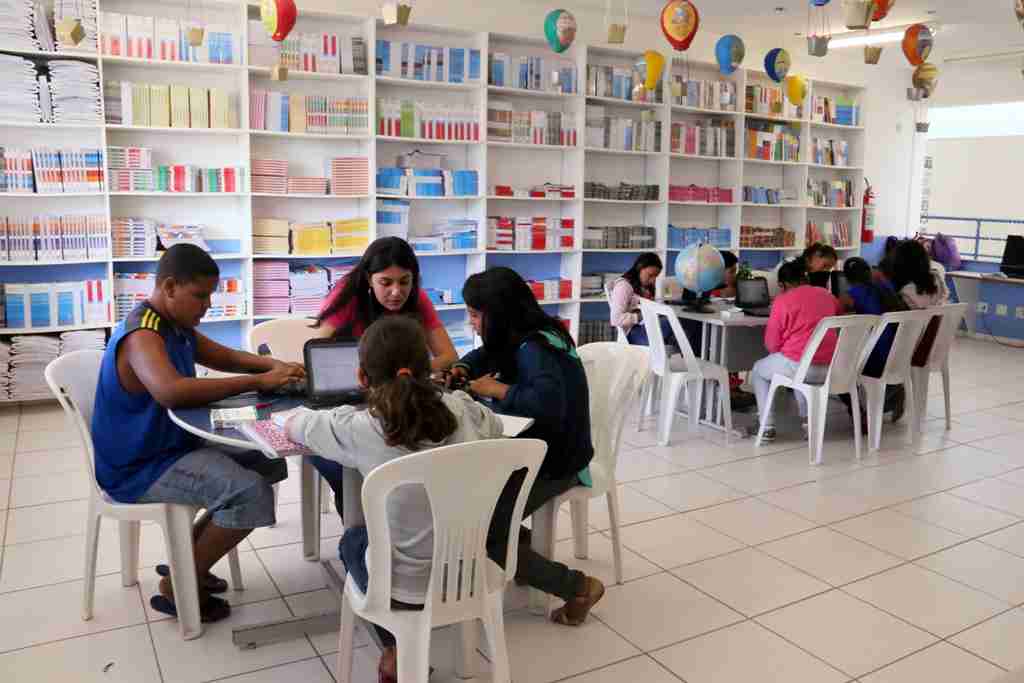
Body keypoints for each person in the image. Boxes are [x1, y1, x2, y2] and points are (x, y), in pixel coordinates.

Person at [282, 316, 504, 683]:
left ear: (362, 379)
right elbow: (493, 426)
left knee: (353, 539)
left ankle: (394, 648)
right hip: (466, 573)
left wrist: (333, 412)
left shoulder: (361, 427)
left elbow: (295, 425)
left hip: (402, 587)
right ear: (426, 369)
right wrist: (453, 396)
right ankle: (401, 648)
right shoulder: (461, 410)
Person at [91, 244, 304, 623]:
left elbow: (224, 356)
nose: (207, 305)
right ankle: (179, 586)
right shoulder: (144, 333)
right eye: (200, 296)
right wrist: (257, 381)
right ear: (170, 287)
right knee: (250, 494)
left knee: (265, 459)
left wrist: (276, 365)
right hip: (140, 467)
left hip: (168, 445)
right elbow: (171, 390)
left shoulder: (175, 324)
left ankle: (187, 561)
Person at [449, 267, 605, 626]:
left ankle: (578, 587)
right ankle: (523, 557)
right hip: (547, 452)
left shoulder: (536, 348)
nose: (471, 322)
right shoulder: (531, 332)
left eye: (475, 315)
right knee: (477, 510)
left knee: (480, 530)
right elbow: (487, 355)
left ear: (498, 314)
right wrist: (462, 367)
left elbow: (546, 406)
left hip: (557, 463)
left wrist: (497, 390)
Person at [311, 237, 459, 512]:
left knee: (405, 456)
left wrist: (409, 374)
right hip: (348, 395)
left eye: (405, 281)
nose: (396, 292)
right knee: (346, 471)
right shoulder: (348, 295)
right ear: (369, 279)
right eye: (386, 282)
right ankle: (361, 525)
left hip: (399, 398)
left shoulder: (418, 299)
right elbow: (317, 355)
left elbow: (449, 356)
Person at [751, 257, 843, 442]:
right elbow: (838, 314)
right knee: (799, 371)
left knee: (759, 371)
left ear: (782, 285)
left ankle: (766, 425)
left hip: (800, 366)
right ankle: (809, 423)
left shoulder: (782, 301)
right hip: (831, 367)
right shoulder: (827, 295)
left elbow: (772, 345)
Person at [838, 257, 908, 422]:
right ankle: (892, 391)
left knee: (839, 367)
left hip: (873, 357)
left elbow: (837, 309)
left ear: (846, 279)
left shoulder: (853, 294)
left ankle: (860, 410)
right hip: (897, 354)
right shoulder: (886, 287)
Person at [609, 252, 677, 347]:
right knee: (676, 321)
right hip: (632, 334)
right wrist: (643, 315)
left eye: (655, 276)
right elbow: (615, 319)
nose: (653, 280)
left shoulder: (643, 286)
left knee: (683, 327)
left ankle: (684, 356)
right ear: (639, 268)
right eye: (650, 275)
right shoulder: (623, 286)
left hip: (646, 328)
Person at [889, 239, 950, 309]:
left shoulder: (906, 292)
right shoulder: (937, 277)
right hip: (939, 318)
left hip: (916, 319)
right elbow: (945, 295)